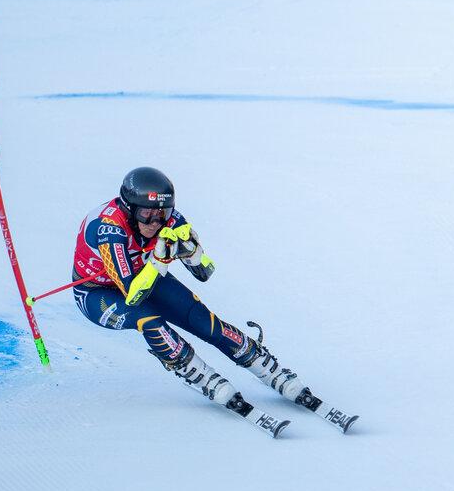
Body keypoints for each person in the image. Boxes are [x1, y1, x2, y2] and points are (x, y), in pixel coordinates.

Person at [70, 166, 335, 432]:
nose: (154, 222)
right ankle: (196, 372)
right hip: (97, 292)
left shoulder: (171, 220)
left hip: (144, 273)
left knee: (204, 321)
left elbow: (204, 272)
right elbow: (132, 295)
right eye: (146, 214)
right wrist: (161, 259)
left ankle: (266, 366)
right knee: (151, 322)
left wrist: (194, 254)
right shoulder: (110, 231)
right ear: (129, 209)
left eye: (161, 213)